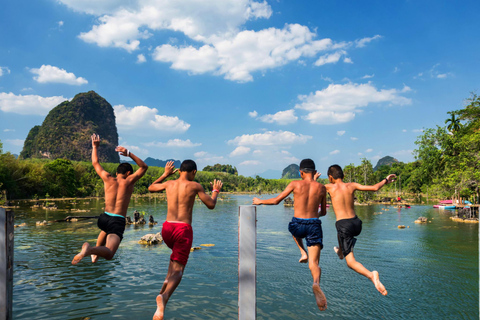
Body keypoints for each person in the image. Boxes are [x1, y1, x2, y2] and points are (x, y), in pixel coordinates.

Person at [148, 160, 223, 320]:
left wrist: (165, 174)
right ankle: (164, 297)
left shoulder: (169, 183)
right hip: (183, 230)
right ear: (194, 172)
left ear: (179, 170)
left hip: (167, 229)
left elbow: (151, 187)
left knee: (172, 265)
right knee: (179, 271)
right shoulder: (195, 186)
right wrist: (215, 191)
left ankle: (160, 299)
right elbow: (211, 204)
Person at [252, 159, 328, 311]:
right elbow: (324, 212)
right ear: (314, 172)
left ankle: (301, 251)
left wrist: (260, 201)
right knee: (314, 264)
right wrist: (314, 217)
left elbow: (276, 201)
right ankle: (316, 284)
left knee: (293, 229)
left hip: (298, 224)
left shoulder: (295, 184)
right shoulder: (321, 187)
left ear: (300, 172)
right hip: (313, 225)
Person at [71, 134, 148, 265]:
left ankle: (94, 254)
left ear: (117, 171)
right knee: (110, 253)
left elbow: (95, 162)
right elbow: (144, 167)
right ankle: (89, 250)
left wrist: (94, 147)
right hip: (116, 220)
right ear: (128, 173)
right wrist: (128, 153)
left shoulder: (107, 178)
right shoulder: (129, 181)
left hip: (104, 218)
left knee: (105, 230)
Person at [324, 164, 395, 296]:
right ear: (343, 176)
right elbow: (374, 188)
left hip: (344, 226)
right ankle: (340, 251)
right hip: (356, 224)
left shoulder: (328, 187)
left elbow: (310, 188)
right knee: (341, 233)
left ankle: (371, 275)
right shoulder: (352, 185)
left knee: (350, 262)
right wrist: (386, 179)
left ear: (330, 177)